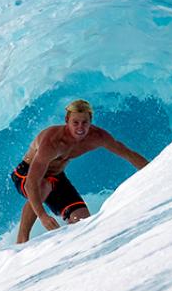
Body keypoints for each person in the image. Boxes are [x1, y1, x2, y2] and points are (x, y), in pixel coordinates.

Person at [10, 99, 149, 243]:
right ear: (67, 120)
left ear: (90, 121)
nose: (80, 127)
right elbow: (31, 183)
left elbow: (128, 154)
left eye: (84, 122)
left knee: (82, 221)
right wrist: (43, 216)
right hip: (26, 173)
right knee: (43, 185)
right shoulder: (52, 141)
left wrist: (155, 172)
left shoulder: (97, 136)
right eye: (75, 122)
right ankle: (22, 239)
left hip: (56, 176)